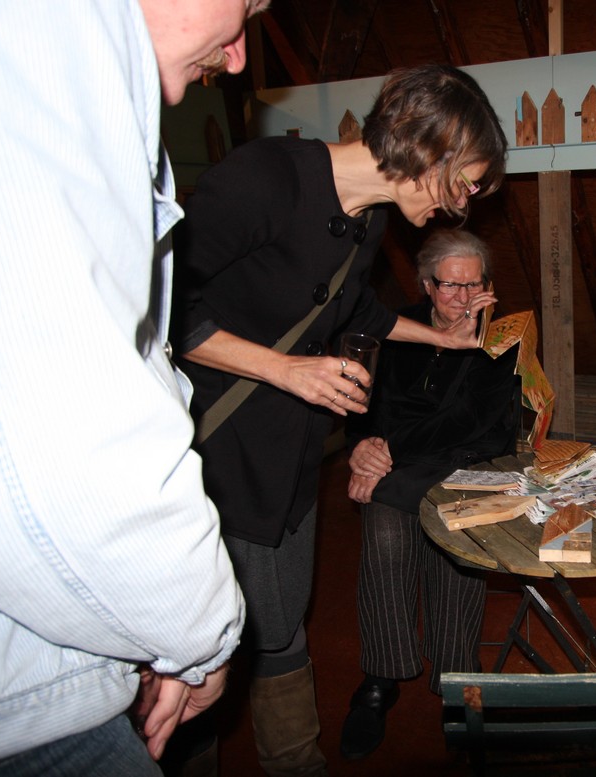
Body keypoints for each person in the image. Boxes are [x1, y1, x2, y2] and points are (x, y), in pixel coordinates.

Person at [0, 0, 269, 774]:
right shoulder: (29, 47)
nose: (240, 56)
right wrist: (196, 633)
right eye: (249, 4)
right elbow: (60, 445)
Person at [170, 65, 508, 775]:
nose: (461, 205)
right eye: (465, 182)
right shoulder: (267, 176)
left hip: (287, 456)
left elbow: (357, 312)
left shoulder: (369, 219)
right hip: (214, 456)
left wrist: (442, 339)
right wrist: (285, 369)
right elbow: (162, 307)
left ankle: (294, 759)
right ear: (431, 148)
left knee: (279, 621)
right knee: (198, 643)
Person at [339, 229, 520, 761]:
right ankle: (382, 675)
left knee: (453, 532)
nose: (462, 297)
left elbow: (470, 421)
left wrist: (388, 448)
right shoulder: (399, 327)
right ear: (425, 284)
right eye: (450, 286)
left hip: (470, 461)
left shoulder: (502, 338)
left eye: (474, 285)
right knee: (384, 523)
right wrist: (361, 447)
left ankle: (457, 676)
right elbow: (365, 400)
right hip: (400, 463)